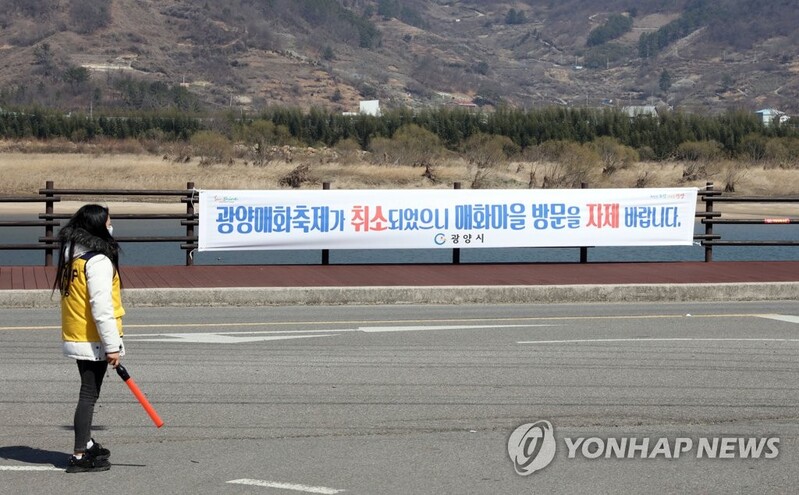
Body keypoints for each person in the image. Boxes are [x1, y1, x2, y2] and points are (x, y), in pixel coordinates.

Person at [54, 204, 125, 473]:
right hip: (93, 337)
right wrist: (112, 346)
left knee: (88, 392)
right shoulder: (97, 262)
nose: (111, 226)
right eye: (108, 222)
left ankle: (87, 442)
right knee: (88, 394)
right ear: (97, 226)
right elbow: (102, 307)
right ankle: (80, 455)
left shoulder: (72, 257)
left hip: (77, 332)